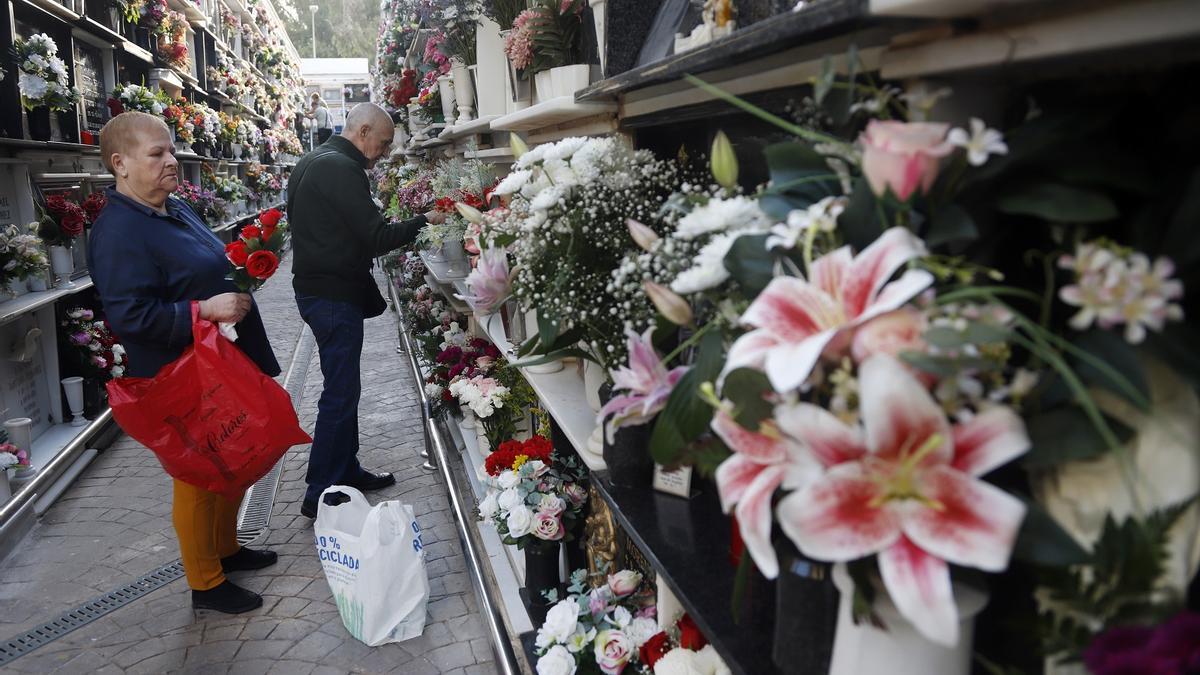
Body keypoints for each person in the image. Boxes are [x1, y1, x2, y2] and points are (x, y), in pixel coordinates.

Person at [89, 112, 282, 614]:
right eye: (157, 154)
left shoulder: (171, 209)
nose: (171, 161)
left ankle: (226, 548)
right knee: (199, 473)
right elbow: (130, 316)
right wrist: (204, 309)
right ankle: (206, 582)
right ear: (120, 164)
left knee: (233, 458)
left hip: (220, 361)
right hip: (182, 371)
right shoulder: (119, 231)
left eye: (171, 150)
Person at [287, 102, 444, 519]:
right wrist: (425, 219)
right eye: (385, 142)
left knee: (345, 388)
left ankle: (346, 470)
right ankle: (320, 490)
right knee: (339, 393)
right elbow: (376, 237)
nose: (386, 152)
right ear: (363, 131)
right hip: (333, 296)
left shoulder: (315, 159)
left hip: (319, 290)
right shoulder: (341, 168)